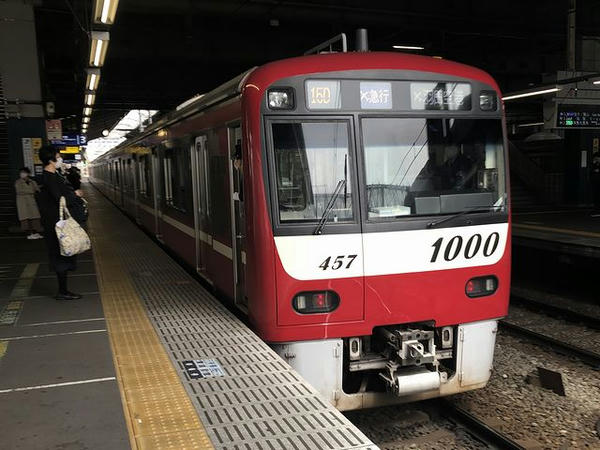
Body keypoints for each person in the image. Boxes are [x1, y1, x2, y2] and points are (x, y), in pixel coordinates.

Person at [37, 146, 87, 300]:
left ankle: (63, 290)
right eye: (58, 156)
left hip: (57, 222)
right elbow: (60, 198)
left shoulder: (53, 175)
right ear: (51, 159)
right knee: (61, 255)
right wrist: (75, 194)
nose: (60, 159)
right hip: (57, 224)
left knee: (63, 254)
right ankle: (63, 292)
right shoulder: (49, 178)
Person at [14, 167, 43, 239]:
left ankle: (35, 232)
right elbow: (19, 191)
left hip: (31, 201)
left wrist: (37, 189)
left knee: (35, 217)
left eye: (24, 172)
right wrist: (32, 191)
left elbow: (37, 189)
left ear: (28, 173)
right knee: (25, 218)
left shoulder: (32, 182)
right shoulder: (18, 182)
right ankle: (29, 234)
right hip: (23, 202)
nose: (22, 174)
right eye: (21, 172)